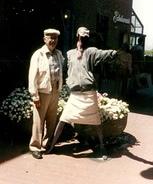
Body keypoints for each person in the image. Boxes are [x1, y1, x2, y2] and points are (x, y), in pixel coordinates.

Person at [47, 26, 117, 160]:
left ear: (87, 38)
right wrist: (68, 80)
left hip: (89, 93)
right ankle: (51, 145)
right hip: (75, 95)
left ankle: (102, 147)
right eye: (81, 36)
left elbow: (105, 54)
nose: (83, 38)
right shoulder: (69, 53)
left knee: (96, 122)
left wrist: (116, 52)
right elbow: (64, 67)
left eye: (85, 36)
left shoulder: (91, 51)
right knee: (63, 119)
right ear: (77, 36)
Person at [28, 28, 64, 159]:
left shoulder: (59, 54)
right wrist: (34, 95)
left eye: (55, 38)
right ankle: (35, 147)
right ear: (44, 39)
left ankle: (47, 144)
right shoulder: (38, 55)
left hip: (54, 91)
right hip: (42, 93)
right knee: (38, 121)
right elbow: (32, 76)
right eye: (50, 38)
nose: (53, 40)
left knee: (52, 121)